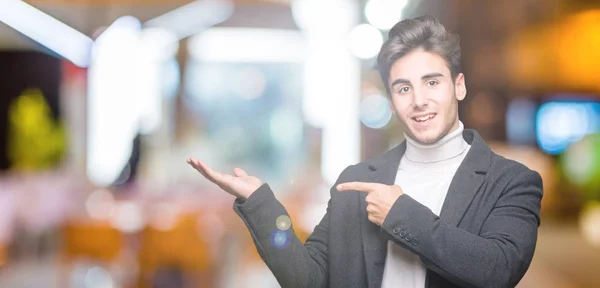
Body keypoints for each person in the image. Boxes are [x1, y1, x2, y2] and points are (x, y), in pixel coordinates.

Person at [187, 15, 543, 288]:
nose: (419, 101)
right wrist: (262, 205)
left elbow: (499, 269)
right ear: (391, 101)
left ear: (459, 86)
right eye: (403, 88)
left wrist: (399, 213)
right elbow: (307, 278)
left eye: (432, 82)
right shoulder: (356, 182)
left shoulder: (511, 181)